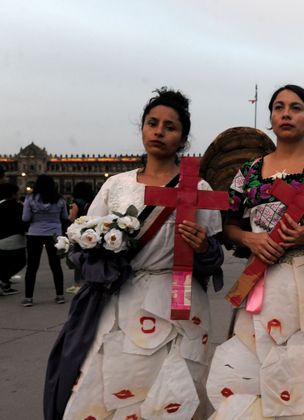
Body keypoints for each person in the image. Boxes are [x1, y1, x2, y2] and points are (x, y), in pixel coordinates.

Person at [44, 88, 224, 419]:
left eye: (170, 126)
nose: (159, 131)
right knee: (113, 382)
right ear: (142, 129)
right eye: (152, 123)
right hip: (121, 298)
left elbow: (215, 258)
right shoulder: (117, 184)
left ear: (183, 138)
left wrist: (203, 246)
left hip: (179, 299)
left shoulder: (198, 189)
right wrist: (98, 252)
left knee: (175, 389)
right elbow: (84, 238)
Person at [207, 85, 304, 417]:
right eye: (279, 108)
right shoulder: (248, 172)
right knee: (260, 365)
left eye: (296, 107)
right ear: (271, 119)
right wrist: (250, 240)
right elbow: (229, 224)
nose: (286, 113)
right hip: (264, 280)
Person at [21, 174, 68, 307]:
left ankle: (28, 298)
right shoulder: (60, 199)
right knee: (56, 265)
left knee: (32, 267)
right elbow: (64, 216)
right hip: (54, 235)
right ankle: (60, 296)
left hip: (34, 233)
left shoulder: (30, 198)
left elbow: (25, 218)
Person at [65, 182, 95, 294]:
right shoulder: (92, 202)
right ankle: (89, 281)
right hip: (91, 232)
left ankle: (77, 284)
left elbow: (72, 218)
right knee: (89, 257)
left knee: (78, 258)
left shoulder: (75, 203)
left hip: (78, 233)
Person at [0, 183, 27, 295]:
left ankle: (5, 283)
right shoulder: (19, 207)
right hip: (14, 239)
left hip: (1, 239)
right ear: (13, 194)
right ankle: (3, 281)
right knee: (20, 262)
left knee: (4, 263)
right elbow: (22, 222)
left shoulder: (0, 204)